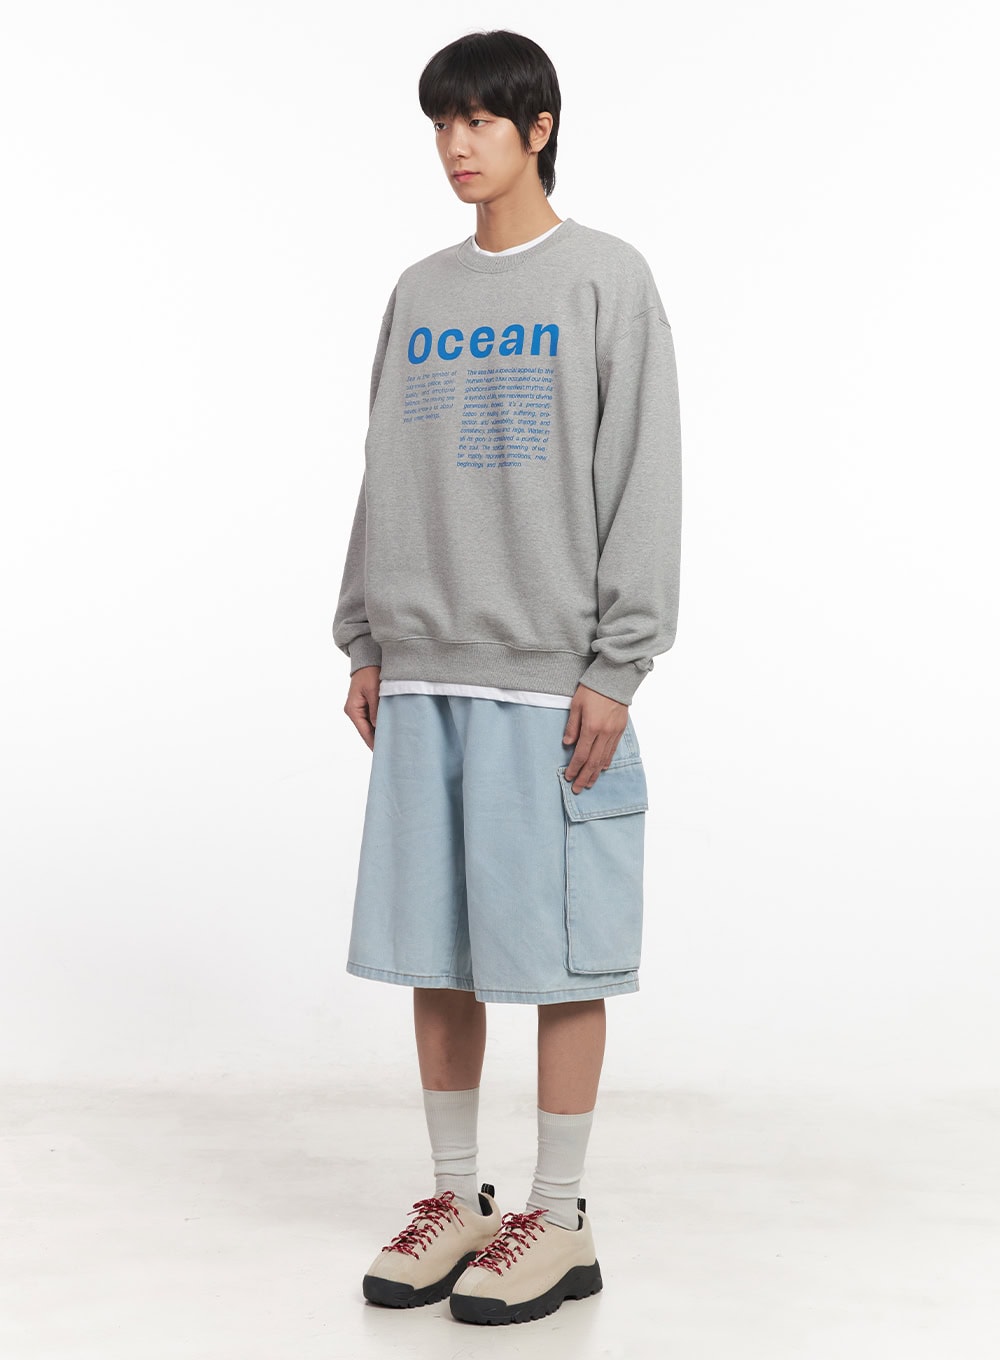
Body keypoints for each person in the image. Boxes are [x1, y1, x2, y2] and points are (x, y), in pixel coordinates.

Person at [331, 28, 682, 1327]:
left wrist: (618, 663)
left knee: (562, 955)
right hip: (424, 666)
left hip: (548, 680)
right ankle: (457, 1198)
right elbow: (384, 465)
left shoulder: (605, 278)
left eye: (481, 120)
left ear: (538, 130)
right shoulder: (419, 290)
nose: (457, 145)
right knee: (440, 945)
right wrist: (366, 633)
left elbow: (644, 473)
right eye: (443, 123)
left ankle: (563, 1217)